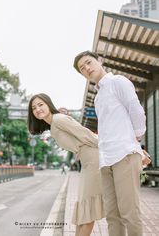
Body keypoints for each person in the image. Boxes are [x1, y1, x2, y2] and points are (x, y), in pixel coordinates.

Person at [73, 50, 147, 236]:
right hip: (106, 160)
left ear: (100, 60)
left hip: (124, 155)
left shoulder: (118, 82)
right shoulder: (98, 98)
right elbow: (107, 129)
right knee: (112, 215)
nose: (87, 68)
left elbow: (136, 111)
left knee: (130, 212)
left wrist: (134, 140)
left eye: (89, 63)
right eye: (82, 68)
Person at [28, 93, 105, 236]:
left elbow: (86, 134)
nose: (38, 109)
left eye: (40, 104)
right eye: (34, 108)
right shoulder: (53, 126)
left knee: (88, 211)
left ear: (48, 104)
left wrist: (116, 147)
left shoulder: (58, 119)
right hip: (88, 162)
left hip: (94, 161)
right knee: (83, 211)